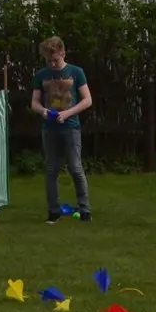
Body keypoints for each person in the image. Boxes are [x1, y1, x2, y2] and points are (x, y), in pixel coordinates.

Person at [35, 35, 93, 221]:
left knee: (75, 168)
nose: (52, 64)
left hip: (70, 127)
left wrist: (67, 114)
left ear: (63, 53)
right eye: (49, 60)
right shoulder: (41, 75)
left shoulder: (76, 72)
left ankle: (85, 209)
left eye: (55, 60)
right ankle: (53, 211)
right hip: (49, 128)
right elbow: (34, 103)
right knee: (51, 169)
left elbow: (87, 100)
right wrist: (44, 112)